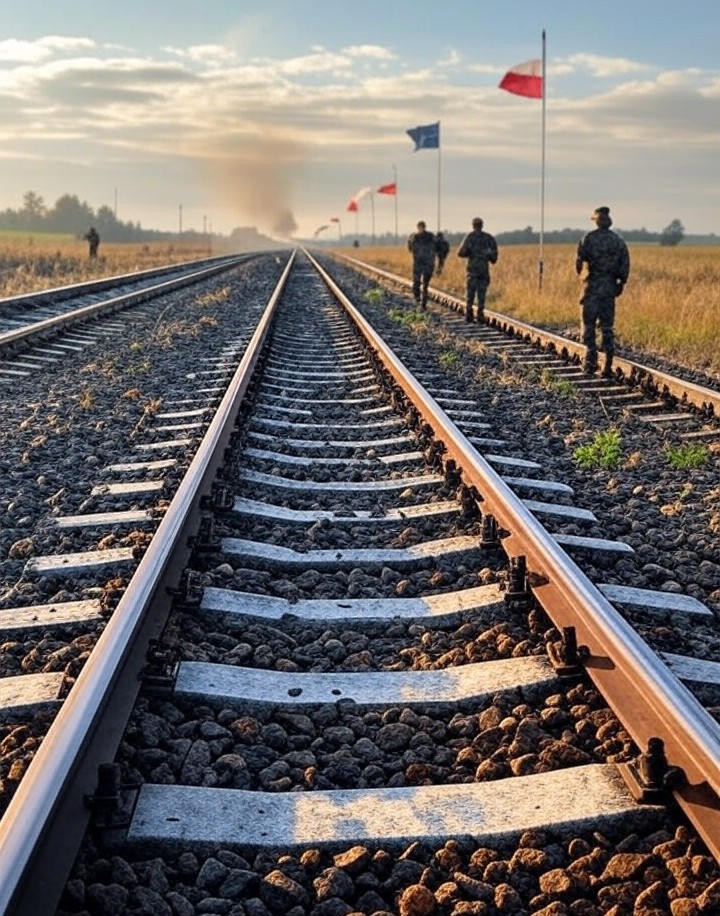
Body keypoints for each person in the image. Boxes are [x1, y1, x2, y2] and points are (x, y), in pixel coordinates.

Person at [576, 206, 630, 377]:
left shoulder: (588, 238)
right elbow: (625, 265)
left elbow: (579, 261)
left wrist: (582, 275)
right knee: (607, 326)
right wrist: (620, 283)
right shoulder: (618, 241)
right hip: (609, 289)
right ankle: (608, 364)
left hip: (591, 287)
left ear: (596, 221)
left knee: (588, 324)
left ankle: (590, 362)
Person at [457, 217, 498, 322]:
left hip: (472, 271)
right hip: (483, 270)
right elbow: (494, 258)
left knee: (470, 294)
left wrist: (470, 253)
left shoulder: (469, 237)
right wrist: (487, 255)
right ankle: (480, 315)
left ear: (473, 225)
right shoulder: (488, 238)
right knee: (482, 294)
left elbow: (460, 253)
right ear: (482, 225)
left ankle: (469, 314)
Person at [407, 220, 436, 310]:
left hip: (422, 263)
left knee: (422, 284)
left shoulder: (415, 237)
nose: (420, 229)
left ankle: (421, 302)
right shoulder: (430, 236)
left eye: (421, 227)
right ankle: (420, 300)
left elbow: (410, 248)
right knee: (419, 283)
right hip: (424, 263)